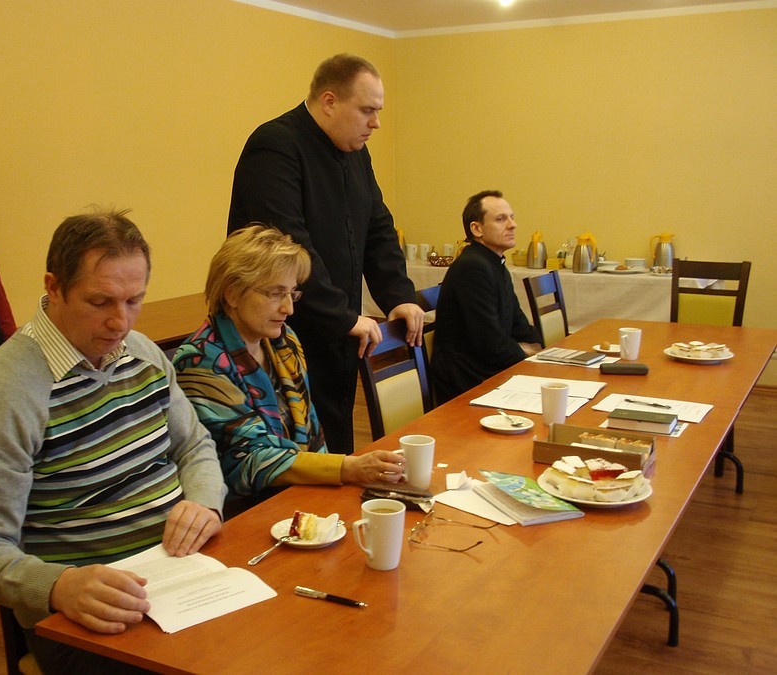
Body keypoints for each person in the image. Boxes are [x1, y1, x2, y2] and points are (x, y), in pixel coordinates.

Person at [0, 209, 226, 674]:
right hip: (85, 614)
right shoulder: (3, 395)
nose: (120, 322)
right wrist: (58, 586)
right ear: (53, 287)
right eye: (100, 302)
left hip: (180, 575)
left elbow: (194, 446)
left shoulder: (143, 354)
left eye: (134, 300)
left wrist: (204, 500)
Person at [227, 53, 424, 455]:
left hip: (337, 331)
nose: (376, 123)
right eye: (367, 110)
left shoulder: (356, 152)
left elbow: (377, 228)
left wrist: (398, 296)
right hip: (283, 331)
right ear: (329, 101)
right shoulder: (275, 146)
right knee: (295, 454)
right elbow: (289, 245)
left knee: (337, 446)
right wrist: (343, 315)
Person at [173, 225, 407, 517]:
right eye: (275, 294)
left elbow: (311, 432)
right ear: (232, 293)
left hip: (295, 495)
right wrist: (347, 468)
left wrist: (329, 502)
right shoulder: (200, 360)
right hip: (239, 513)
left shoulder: (283, 341)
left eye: (292, 294)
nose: (288, 309)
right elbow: (252, 460)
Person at [431, 191, 542, 404]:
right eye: (501, 219)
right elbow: (488, 342)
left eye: (512, 217)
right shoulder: (472, 267)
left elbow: (516, 320)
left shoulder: (494, 263)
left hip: (489, 369)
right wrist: (524, 351)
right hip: (468, 380)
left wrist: (538, 346)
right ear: (477, 229)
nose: (512, 225)